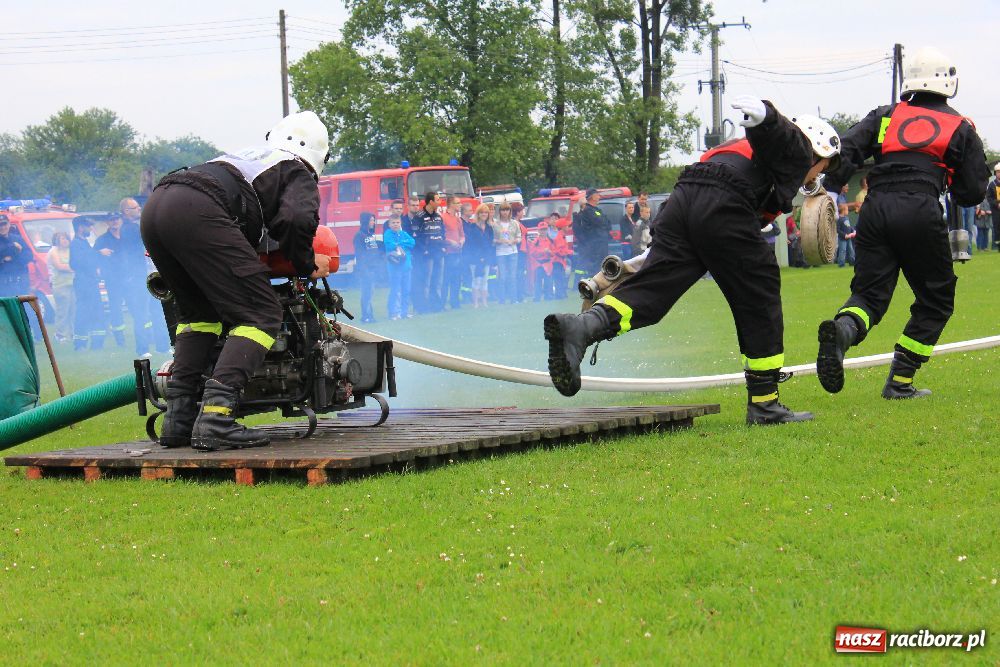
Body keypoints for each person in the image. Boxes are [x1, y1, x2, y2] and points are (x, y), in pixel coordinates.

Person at [545, 96, 839, 425]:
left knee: (652, 291)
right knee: (760, 294)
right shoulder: (796, 147)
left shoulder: (738, 151)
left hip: (682, 200)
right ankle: (764, 403)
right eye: (821, 168)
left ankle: (581, 327)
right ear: (816, 151)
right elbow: (783, 136)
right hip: (724, 202)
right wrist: (766, 114)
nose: (814, 178)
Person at [141, 110, 332, 451]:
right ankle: (216, 419)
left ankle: (179, 418)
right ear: (319, 157)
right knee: (262, 314)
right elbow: (295, 218)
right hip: (198, 211)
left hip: (159, 206)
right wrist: (306, 263)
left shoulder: (249, 157)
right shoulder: (296, 168)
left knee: (200, 316)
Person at [816, 47, 988, 400]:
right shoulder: (960, 126)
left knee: (868, 295)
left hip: (875, 208)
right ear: (949, 83)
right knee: (936, 300)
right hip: (920, 209)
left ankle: (843, 331)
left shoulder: (886, 115)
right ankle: (900, 380)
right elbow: (972, 192)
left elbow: (844, 151)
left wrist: (829, 189)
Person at [95, 213, 154, 354]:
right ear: (107, 222)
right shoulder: (102, 240)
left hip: (132, 280)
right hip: (113, 281)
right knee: (116, 310)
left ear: (121, 220)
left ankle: (148, 337)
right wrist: (99, 253)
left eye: (117, 219)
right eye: (111, 220)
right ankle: (120, 340)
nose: (115, 222)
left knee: (137, 309)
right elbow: (93, 259)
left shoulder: (129, 237)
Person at [122, 197, 170, 353]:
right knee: (141, 314)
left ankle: (163, 346)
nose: (139, 210)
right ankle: (142, 349)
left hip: (152, 273)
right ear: (126, 211)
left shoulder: (137, 226)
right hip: (139, 277)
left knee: (159, 311)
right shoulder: (128, 229)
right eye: (135, 208)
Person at [69, 217, 106, 350]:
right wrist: (99, 253)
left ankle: (97, 343)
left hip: (90, 281)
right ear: (80, 227)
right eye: (88, 226)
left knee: (96, 311)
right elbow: (79, 262)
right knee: (83, 312)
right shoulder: (76, 244)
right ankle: (80, 343)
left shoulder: (83, 242)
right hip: (83, 283)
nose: (90, 228)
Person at [410, 191, 446, 313]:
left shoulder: (438, 216)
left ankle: (437, 305)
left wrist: (443, 246)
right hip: (426, 255)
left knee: (438, 281)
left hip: (439, 253)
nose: (440, 202)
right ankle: (424, 307)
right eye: (438, 199)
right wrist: (424, 250)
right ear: (431, 202)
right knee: (426, 281)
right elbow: (415, 236)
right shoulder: (419, 216)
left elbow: (442, 233)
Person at [528, 214, 571, 301]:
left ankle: (549, 296)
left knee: (549, 281)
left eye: (545, 229)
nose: (543, 231)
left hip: (548, 264)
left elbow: (554, 252)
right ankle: (537, 297)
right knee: (538, 282)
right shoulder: (536, 241)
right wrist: (543, 252)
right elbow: (532, 253)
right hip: (539, 264)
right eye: (541, 229)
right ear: (538, 230)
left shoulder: (550, 241)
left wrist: (550, 252)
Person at [383, 213, 414, 320]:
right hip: (395, 267)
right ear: (389, 224)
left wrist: (399, 244)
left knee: (406, 290)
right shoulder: (387, 234)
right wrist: (401, 245)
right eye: (393, 223)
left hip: (407, 266)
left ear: (400, 223)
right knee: (395, 290)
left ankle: (404, 312)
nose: (395, 224)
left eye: (397, 222)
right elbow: (389, 244)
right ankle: (393, 313)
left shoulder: (403, 233)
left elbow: (412, 242)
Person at [353, 211, 382, 323]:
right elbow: (360, 255)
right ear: (365, 221)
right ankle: (365, 316)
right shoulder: (359, 236)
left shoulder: (371, 235)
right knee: (366, 293)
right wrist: (364, 270)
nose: (373, 222)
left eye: (374, 220)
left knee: (370, 293)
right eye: (371, 220)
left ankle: (370, 315)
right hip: (365, 270)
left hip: (373, 268)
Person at [464, 203, 494, 308]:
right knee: (476, 281)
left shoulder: (489, 228)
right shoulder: (472, 227)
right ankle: (476, 303)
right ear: (478, 214)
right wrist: (478, 257)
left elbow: (490, 244)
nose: (484, 214)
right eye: (482, 212)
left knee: (485, 281)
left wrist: (487, 257)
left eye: (486, 212)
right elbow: (470, 244)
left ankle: (484, 302)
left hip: (486, 258)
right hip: (475, 259)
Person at [47, 231, 75, 342]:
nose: (65, 241)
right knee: (63, 311)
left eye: (66, 238)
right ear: (56, 240)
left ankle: (73, 333)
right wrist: (75, 267)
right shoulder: (53, 251)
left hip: (73, 284)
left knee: (73, 310)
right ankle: (60, 334)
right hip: (60, 285)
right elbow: (59, 266)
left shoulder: (71, 250)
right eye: (62, 238)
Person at [573, 188, 608, 278]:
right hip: (594, 244)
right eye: (597, 195)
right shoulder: (588, 210)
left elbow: (606, 222)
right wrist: (603, 221)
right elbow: (600, 221)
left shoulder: (596, 210)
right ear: (593, 197)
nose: (599, 197)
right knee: (594, 267)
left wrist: (603, 221)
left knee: (601, 265)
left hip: (600, 243)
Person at [491, 202, 521, 305]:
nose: (505, 212)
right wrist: (499, 241)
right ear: (500, 212)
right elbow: (492, 240)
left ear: (510, 211)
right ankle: (502, 300)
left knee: (512, 276)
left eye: (507, 210)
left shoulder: (515, 223)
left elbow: (519, 237)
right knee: (502, 277)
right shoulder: (495, 224)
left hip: (513, 252)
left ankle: (514, 299)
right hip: (500, 253)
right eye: (503, 210)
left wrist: (514, 241)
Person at [440, 195, 466, 310]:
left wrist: (461, 241)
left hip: (458, 253)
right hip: (447, 253)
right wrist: (450, 242)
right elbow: (440, 236)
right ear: (451, 204)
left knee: (457, 279)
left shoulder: (458, 219)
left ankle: (455, 302)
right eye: (458, 203)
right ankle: (442, 303)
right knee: (446, 279)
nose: (460, 205)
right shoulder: (443, 217)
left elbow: (462, 235)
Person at [0, 214, 31, 298]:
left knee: (20, 305)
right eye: (0, 225)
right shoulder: (15, 242)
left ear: (9, 224)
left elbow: (29, 256)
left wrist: (12, 257)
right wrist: (12, 246)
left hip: (19, 283)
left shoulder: (18, 239)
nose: (2, 227)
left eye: (4, 224)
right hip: (2, 285)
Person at [833, 185, 856, 268]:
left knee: (851, 249)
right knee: (843, 250)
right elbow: (838, 229)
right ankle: (841, 263)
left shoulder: (846, 218)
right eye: (847, 210)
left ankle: (852, 261)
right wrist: (844, 235)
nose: (848, 211)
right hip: (843, 238)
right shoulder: (840, 220)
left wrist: (853, 230)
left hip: (849, 237)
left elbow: (849, 226)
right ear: (843, 211)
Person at [988, 164, 1000, 250]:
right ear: (995, 173)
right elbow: (989, 198)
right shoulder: (992, 184)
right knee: (997, 227)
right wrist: (997, 204)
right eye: (998, 172)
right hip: (996, 210)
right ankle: (998, 245)